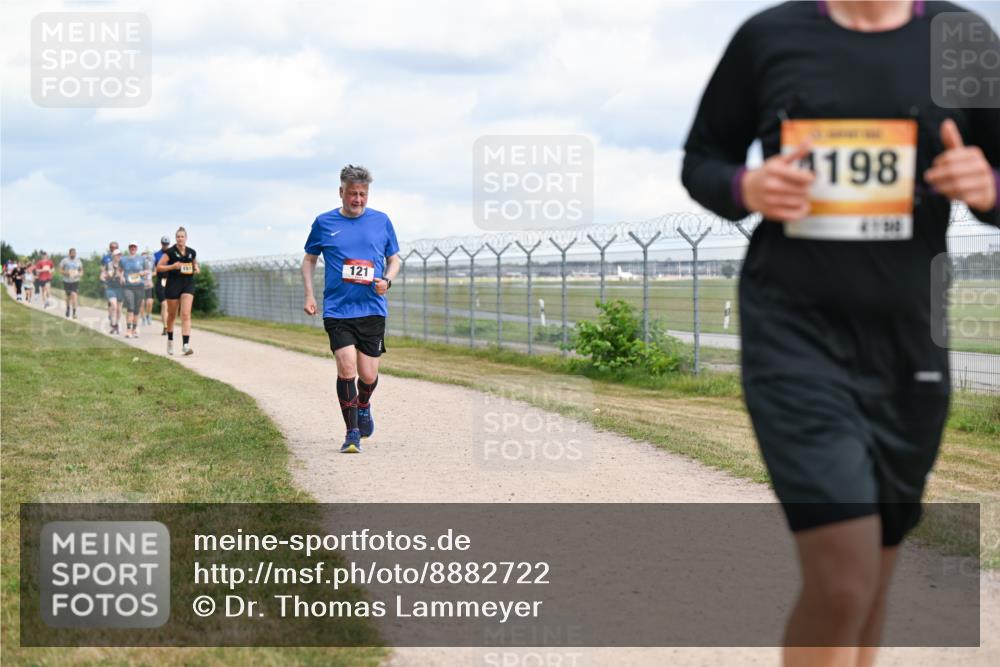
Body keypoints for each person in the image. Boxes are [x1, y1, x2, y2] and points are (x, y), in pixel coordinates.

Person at [681, 2, 999, 665]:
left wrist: (988, 186)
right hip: (793, 335)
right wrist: (746, 185)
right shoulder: (768, 37)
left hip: (909, 345)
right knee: (844, 576)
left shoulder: (962, 38)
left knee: (873, 573)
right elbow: (703, 160)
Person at [302, 165, 401, 454]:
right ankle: (352, 432)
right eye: (352, 193)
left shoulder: (381, 221)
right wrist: (309, 295)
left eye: (362, 194)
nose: (357, 199)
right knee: (346, 367)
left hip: (372, 308)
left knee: (367, 375)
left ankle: (364, 404)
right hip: (338, 310)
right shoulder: (324, 222)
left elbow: (394, 259)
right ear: (341, 192)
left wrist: (387, 280)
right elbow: (309, 260)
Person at [157, 227, 199, 356]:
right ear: (176, 238)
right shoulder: (170, 252)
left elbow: (194, 264)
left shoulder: (192, 252)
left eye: (182, 236)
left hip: (188, 284)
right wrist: (173, 266)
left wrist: (196, 268)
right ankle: (170, 340)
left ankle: (185, 345)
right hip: (173, 284)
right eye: (178, 237)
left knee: (186, 314)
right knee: (172, 315)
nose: (180, 239)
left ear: (186, 238)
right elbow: (159, 267)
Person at [120, 242, 147, 339]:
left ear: (136, 248)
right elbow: (120, 270)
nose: (133, 248)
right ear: (129, 248)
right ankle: (128, 329)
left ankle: (134, 329)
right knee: (130, 307)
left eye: (134, 247)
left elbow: (147, 270)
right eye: (131, 247)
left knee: (136, 309)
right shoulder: (123, 259)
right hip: (128, 286)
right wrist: (121, 277)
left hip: (139, 286)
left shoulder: (142, 259)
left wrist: (143, 273)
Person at [100, 249, 124, 334]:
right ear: (113, 256)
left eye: (120, 255)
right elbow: (102, 276)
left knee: (119, 309)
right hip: (110, 288)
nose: (119, 256)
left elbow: (125, 277)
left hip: (120, 288)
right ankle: (113, 325)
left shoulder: (123, 265)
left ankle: (116, 324)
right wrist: (105, 277)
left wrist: (122, 277)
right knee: (114, 305)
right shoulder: (108, 265)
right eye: (117, 255)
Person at [59, 248, 83, 319]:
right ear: (69, 253)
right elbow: (60, 270)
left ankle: (74, 312)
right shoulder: (65, 260)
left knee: (74, 295)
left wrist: (80, 274)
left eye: (74, 253)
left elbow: (81, 270)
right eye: (72, 253)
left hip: (75, 280)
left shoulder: (78, 261)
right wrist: (67, 273)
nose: (73, 254)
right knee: (68, 296)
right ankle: (68, 308)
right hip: (66, 281)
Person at [153, 236, 170, 334]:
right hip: (161, 280)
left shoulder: (173, 254)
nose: (165, 245)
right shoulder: (156, 255)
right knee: (164, 304)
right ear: (161, 243)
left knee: (170, 305)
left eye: (167, 244)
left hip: (171, 281)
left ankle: (168, 325)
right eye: (164, 244)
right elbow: (154, 269)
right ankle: (165, 327)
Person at [140, 248, 155, 326]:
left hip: (149, 285)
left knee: (150, 302)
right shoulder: (138, 265)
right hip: (140, 285)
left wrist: (150, 274)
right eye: (143, 256)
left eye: (146, 255)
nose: (145, 257)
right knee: (142, 303)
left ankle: (148, 315)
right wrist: (142, 273)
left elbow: (155, 272)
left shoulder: (151, 264)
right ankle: (143, 318)